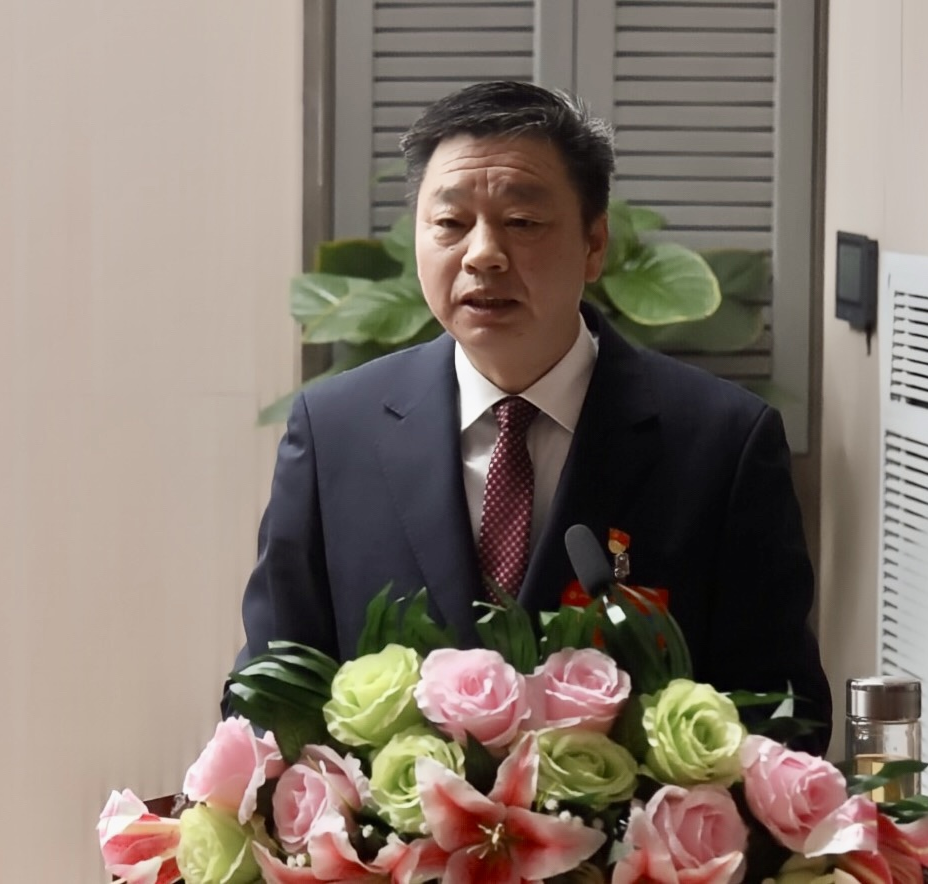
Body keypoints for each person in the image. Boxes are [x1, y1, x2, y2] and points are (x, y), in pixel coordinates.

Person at [229, 81, 832, 753]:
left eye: (521, 222)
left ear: (594, 243)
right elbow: (268, 692)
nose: (482, 254)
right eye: (450, 224)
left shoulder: (720, 442)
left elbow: (783, 713)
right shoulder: (335, 431)